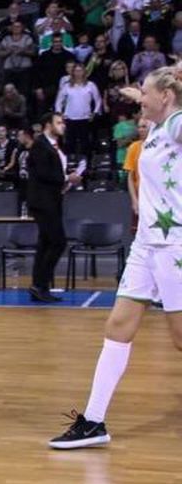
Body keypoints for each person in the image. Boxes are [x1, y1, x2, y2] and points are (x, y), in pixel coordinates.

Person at [50, 67, 182, 449]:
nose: (141, 99)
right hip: (146, 245)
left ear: (166, 98)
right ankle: (93, 421)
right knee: (118, 326)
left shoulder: (175, 124)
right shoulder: (154, 130)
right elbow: (150, 98)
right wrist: (139, 92)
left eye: (146, 94)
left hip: (174, 245)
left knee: (179, 339)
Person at [26, 112, 81, 303]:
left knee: (46, 243)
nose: (63, 125)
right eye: (59, 122)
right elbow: (43, 173)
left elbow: (53, 173)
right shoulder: (40, 145)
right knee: (58, 242)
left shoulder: (56, 146)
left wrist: (66, 179)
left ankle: (38, 285)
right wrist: (67, 178)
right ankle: (40, 284)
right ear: (48, 125)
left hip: (53, 200)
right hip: (42, 202)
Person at [55, 64, 103, 158]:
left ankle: (86, 164)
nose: (78, 73)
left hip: (85, 118)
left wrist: (95, 112)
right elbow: (59, 101)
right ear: (73, 72)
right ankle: (70, 162)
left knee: (85, 142)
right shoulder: (67, 86)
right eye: (76, 71)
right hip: (70, 118)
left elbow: (98, 100)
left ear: (84, 72)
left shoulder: (90, 85)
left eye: (80, 70)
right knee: (69, 142)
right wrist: (60, 114)